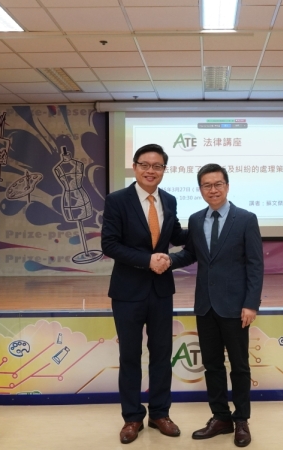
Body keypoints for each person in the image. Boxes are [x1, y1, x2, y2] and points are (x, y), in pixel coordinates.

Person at [170, 163, 264, 448]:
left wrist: (251, 304)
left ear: (227, 186)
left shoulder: (245, 219)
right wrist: (167, 261)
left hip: (236, 307)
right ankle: (220, 417)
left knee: (239, 366)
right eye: (207, 185)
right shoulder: (196, 219)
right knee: (212, 365)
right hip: (205, 306)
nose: (213, 189)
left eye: (218, 184)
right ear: (200, 189)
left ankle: (242, 420)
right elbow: (191, 254)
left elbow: (255, 264)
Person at [101, 144, 186, 444]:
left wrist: (207, 225)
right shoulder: (117, 200)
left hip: (161, 290)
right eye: (145, 165)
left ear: (164, 170)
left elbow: (176, 235)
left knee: (162, 355)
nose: (151, 171)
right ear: (135, 167)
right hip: (127, 291)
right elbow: (110, 244)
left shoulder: (170, 200)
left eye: (157, 166)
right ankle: (132, 417)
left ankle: (160, 413)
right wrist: (147, 260)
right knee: (130, 356)